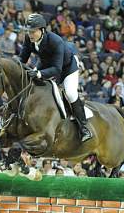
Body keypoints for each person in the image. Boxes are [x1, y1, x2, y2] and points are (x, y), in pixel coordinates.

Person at [19, 13, 92, 142]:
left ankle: (84, 128)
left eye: (33, 31)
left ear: (42, 30)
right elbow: (22, 60)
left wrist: (39, 74)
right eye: (28, 31)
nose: (30, 34)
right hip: (46, 63)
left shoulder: (55, 40)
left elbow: (57, 69)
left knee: (70, 93)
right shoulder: (29, 39)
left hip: (67, 67)